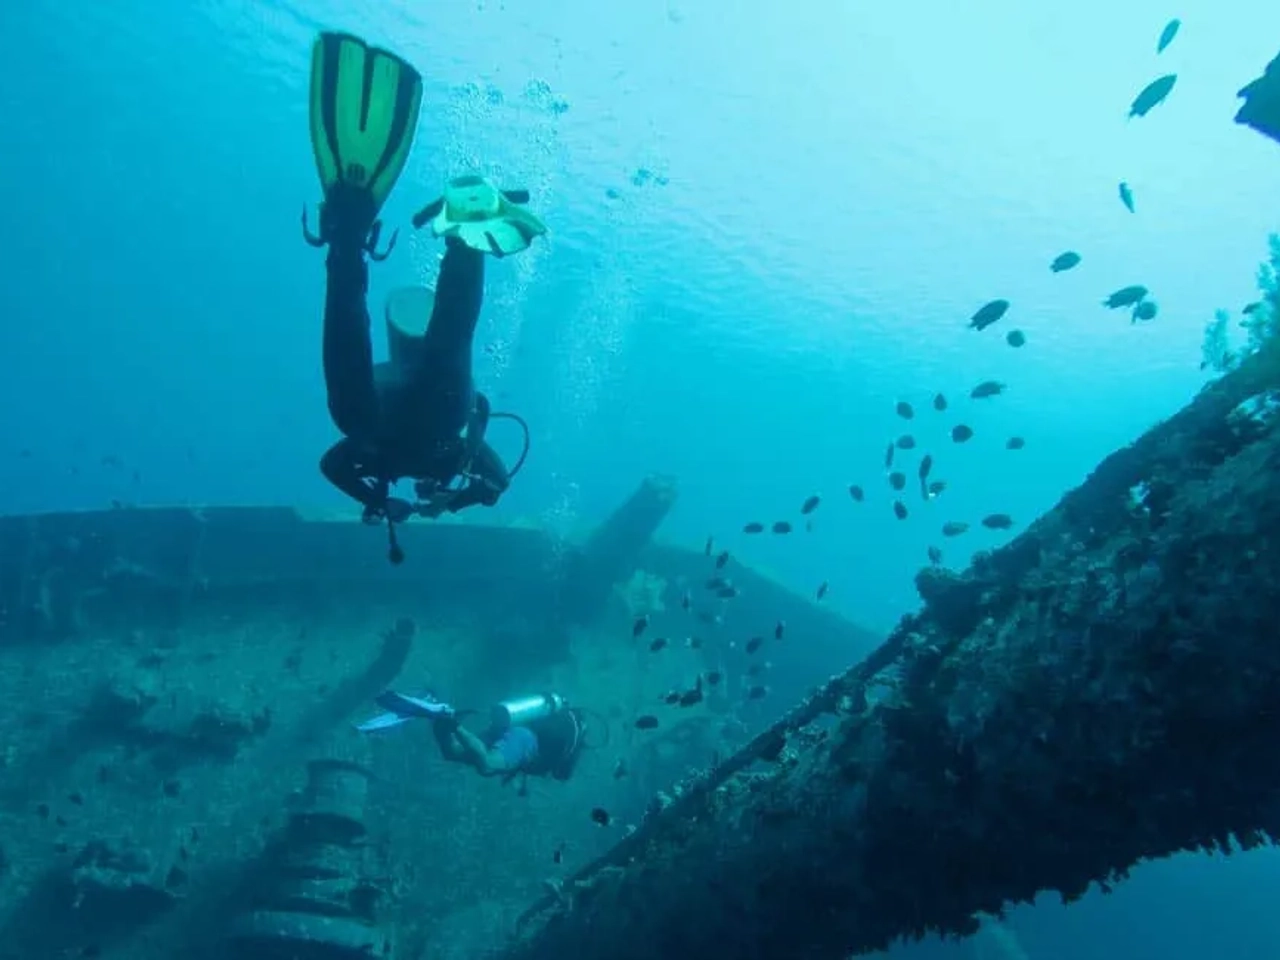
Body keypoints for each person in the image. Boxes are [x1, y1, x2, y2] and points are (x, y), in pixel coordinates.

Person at [302, 32, 544, 539]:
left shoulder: (444, 450)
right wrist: (447, 502)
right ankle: (403, 242)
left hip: (399, 412)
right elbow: (496, 483)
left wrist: (381, 500)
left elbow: (331, 466)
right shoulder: (461, 453)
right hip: (418, 416)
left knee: (424, 360)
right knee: (419, 360)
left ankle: (377, 240)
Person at [357, 690, 587, 783]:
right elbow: (561, 775)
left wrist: (448, 727)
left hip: (511, 731)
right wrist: (457, 726)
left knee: (454, 752)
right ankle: (449, 720)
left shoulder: (555, 722)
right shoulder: (560, 741)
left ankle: (441, 718)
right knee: (487, 764)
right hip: (524, 740)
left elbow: (454, 753)